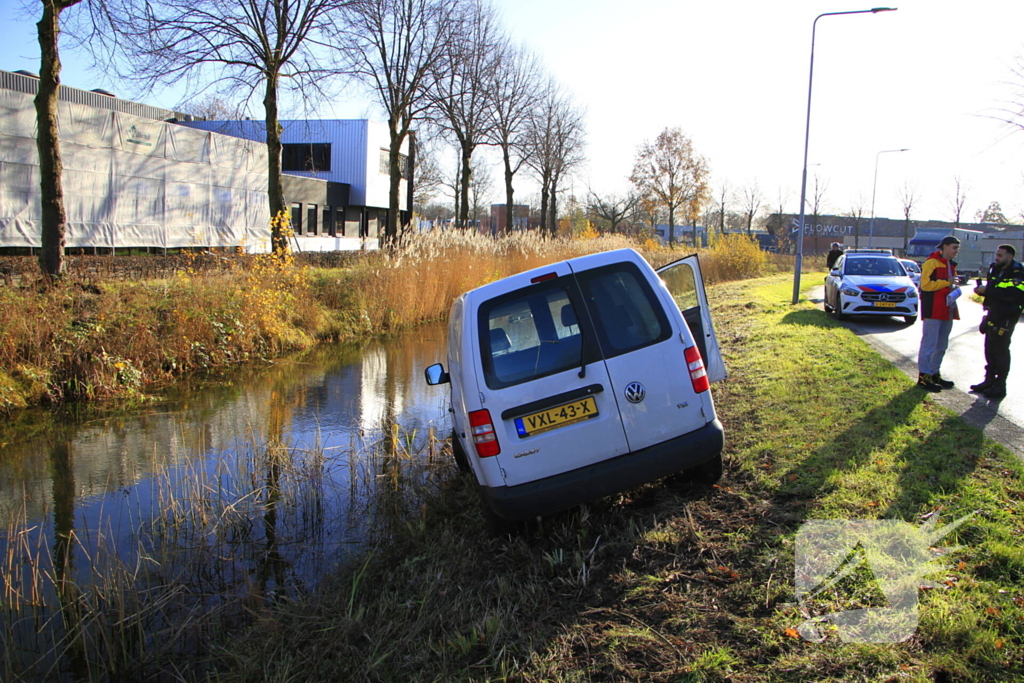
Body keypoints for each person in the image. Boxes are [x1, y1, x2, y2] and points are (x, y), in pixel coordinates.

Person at [969, 244, 1024, 399]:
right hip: (993, 313)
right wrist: (983, 294)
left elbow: (1014, 294)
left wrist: (988, 291)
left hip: (1007, 315)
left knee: (1000, 349)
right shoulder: (995, 268)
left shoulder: (1017, 271)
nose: (997, 257)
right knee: (990, 348)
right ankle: (989, 380)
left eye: (1000, 255)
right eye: (996, 254)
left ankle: (1000, 386)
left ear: (1010, 256)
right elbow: (993, 288)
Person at [916, 236, 961, 392]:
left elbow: (948, 284)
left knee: (941, 345)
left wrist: (954, 288)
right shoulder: (931, 263)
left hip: (947, 309)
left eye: (957, 248)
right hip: (933, 310)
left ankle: (934, 373)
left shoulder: (950, 264)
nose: (957, 251)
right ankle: (923, 377)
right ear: (945, 247)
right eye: (954, 247)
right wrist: (947, 281)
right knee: (929, 344)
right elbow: (925, 285)